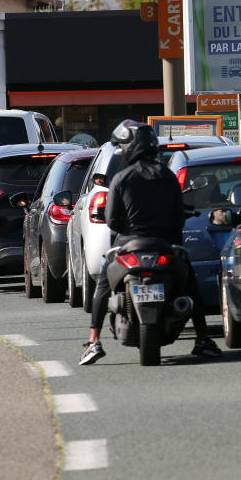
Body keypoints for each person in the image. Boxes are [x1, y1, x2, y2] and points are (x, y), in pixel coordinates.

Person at [79, 120, 222, 365]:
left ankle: (94, 341)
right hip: (165, 246)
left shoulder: (121, 178)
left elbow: (112, 221)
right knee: (191, 286)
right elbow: (178, 218)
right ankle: (202, 339)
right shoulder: (168, 176)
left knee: (103, 284)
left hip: (129, 246)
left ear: (129, 148)